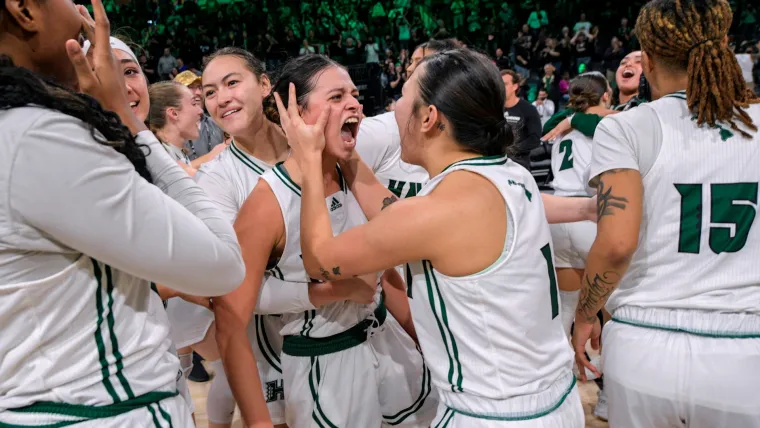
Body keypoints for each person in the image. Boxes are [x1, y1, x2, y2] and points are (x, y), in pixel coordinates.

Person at [285, 49, 585, 427]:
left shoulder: (440, 209)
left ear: (428, 117)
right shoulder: (507, 174)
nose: (395, 107)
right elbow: (395, 214)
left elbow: (321, 260)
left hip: (493, 411)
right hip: (554, 396)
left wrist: (310, 162)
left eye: (404, 97)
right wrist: (349, 158)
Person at [0, 0, 244, 425]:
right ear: (23, 9)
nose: (80, 9)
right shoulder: (42, 136)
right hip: (104, 409)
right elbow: (223, 264)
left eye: (131, 70)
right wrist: (131, 125)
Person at [215, 54, 437, 428]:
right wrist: (258, 421)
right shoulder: (268, 201)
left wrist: (423, 343)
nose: (354, 103)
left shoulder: (349, 165)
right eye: (336, 97)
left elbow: (388, 271)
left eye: (353, 94)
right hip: (325, 364)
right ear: (296, 114)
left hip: (387, 343)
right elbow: (230, 317)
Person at [571, 0, 760, 427]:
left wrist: (585, 315)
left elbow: (617, 243)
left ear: (648, 58)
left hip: (645, 345)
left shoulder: (625, 126)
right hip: (747, 346)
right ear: (724, 46)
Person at [549, 72, 613, 341]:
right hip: (588, 211)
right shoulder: (610, 124)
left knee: (566, 307)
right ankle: (604, 365)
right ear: (606, 96)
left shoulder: (563, 126)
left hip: (557, 215)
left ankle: (568, 370)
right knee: (612, 304)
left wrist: (571, 118)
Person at [148, 81, 204, 175]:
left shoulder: (174, 153)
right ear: (174, 113)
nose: (200, 111)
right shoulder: (161, 161)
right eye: (193, 104)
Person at [173, 70, 227, 168]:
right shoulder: (170, 131)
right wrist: (212, 156)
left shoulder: (218, 122)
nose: (198, 92)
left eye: (199, 87)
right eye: (190, 87)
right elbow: (174, 173)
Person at [501, 69, 542, 171]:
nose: (501, 87)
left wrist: (513, 149)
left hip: (519, 164)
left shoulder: (528, 109)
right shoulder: (494, 108)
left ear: (515, 86)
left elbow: (535, 138)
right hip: (497, 163)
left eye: (505, 84)